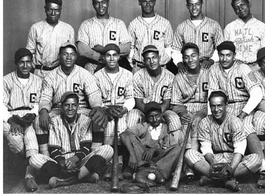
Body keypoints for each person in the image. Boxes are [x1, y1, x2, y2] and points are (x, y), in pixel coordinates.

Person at [208, 40, 265, 188]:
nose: (224, 59)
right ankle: (222, 171)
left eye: (228, 55)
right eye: (221, 55)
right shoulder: (214, 68)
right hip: (224, 107)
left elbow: (256, 93)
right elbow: (211, 94)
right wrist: (211, 116)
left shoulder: (243, 68)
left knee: (246, 128)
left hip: (243, 105)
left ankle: (263, 171)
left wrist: (243, 114)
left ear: (234, 55)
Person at [29, 91, 113, 188]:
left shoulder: (85, 120)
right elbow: (54, 149)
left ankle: (67, 180)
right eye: (66, 105)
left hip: (81, 161)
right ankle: (84, 176)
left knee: (108, 149)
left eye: (73, 105)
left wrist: (74, 159)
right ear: (61, 107)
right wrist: (62, 163)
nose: (70, 108)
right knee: (34, 159)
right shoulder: (55, 121)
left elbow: (86, 147)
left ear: (78, 107)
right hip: (60, 163)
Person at [34, 42, 102, 157]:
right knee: (38, 120)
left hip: (80, 109)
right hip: (58, 110)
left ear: (76, 56)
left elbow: (94, 96)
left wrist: (97, 107)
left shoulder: (84, 74)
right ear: (59, 56)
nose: (69, 57)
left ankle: (94, 157)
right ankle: (46, 157)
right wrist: (44, 111)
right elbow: (45, 98)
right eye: (65, 54)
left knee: (98, 117)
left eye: (72, 54)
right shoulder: (51, 76)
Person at [185, 90, 262, 192]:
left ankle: (212, 180)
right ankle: (226, 181)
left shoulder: (235, 121)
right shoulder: (204, 122)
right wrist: (213, 165)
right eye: (213, 106)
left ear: (226, 105)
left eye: (219, 105)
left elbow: (239, 150)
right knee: (189, 154)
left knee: (256, 159)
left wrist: (230, 169)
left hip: (233, 159)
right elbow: (206, 148)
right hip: (214, 158)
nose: (216, 109)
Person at [3, 48, 43, 192]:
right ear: (16, 63)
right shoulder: (6, 80)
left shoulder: (38, 80)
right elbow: (1, 104)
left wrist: (32, 114)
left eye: (28, 62)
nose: (25, 66)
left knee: (31, 136)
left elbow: (40, 102)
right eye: (21, 62)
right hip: (11, 116)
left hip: (30, 116)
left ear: (32, 63)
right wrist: (11, 121)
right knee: (16, 141)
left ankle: (29, 177)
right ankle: (31, 164)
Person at [93, 43, 135, 179]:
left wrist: (124, 109)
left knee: (122, 127)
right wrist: (105, 109)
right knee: (106, 125)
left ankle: (120, 164)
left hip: (121, 109)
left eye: (114, 55)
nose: (111, 59)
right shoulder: (97, 75)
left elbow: (131, 98)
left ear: (119, 57)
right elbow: (95, 99)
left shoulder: (127, 74)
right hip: (105, 109)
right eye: (108, 55)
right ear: (104, 58)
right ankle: (109, 164)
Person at [129, 45, 182, 146]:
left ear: (159, 58)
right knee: (132, 116)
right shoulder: (138, 76)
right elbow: (138, 102)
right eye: (148, 59)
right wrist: (150, 115)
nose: (152, 61)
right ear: (144, 62)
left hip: (163, 111)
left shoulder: (170, 76)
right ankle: (136, 153)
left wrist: (156, 115)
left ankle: (171, 152)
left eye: (154, 57)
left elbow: (167, 102)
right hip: (142, 110)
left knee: (174, 119)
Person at [171, 42, 209, 179]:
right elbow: (175, 103)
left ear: (199, 56)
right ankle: (188, 163)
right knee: (186, 123)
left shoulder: (209, 72)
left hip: (207, 109)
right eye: (186, 57)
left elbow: (217, 97)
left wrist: (203, 112)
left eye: (193, 56)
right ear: (183, 59)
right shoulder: (179, 77)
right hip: (187, 110)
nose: (190, 60)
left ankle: (194, 162)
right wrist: (183, 113)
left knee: (199, 123)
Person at [120, 101, 182, 181]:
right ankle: (145, 170)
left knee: (178, 148)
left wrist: (154, 149)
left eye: (157, 116)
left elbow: (164, 150)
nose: (155, 119)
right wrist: (132, 154)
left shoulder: (166, 127)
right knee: (130, 136)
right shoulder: (144, 126)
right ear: (146, 118)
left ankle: (156, 172)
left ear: (161, 115)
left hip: (159, 160)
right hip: (143, 159)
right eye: (151, 117)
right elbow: (123, 135)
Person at [77, 0, 132, 74]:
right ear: (93, 5)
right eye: (97, 3)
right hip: (92, 66)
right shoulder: (86, 24)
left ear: (108, 3)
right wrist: (99, 57)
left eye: (103, 2)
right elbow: (82, 49)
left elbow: (126, 48)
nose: (100, 6)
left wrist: (103, 49)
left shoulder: (119, 23)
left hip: (114, 66)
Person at [172, 0, 224, 73]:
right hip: (188, 67)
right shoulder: (181, 27)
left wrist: (211, 61)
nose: (194, 7)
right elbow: (175, 49)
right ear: (187, 6)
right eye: (191, 4)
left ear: (202, 4)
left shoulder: (214, 25)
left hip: (208, 67)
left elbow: (220, 47)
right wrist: (179, 63)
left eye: (197, 4)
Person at [26, 0, 75, 78]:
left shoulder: (68, 29)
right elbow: (29, 53)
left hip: (60, 73)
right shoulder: (36, 28)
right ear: (45, 9)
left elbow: (71, 54)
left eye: (56, 10)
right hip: (40, 73)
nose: (53, 13)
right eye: (50, 10)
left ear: (60, 10)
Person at [128, 0, 175, 74]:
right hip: (140, 67)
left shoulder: (165, 23)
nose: (148, 4)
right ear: (139, 2)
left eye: (150, 1)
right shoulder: (133, 24)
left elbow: (169, 47)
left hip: (160, 68)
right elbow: (131, 48)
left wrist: (161, 62)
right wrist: (134, 63)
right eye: (144, 1)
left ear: (154, 2)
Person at [224, 0, 265, 70]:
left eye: (242, 5)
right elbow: (226, 51)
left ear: (249, 4)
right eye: (237, 8)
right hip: (236, 67)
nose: (240, 9)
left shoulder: (261, 26)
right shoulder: (229, 28)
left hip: (256, 67)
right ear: (235, 11)